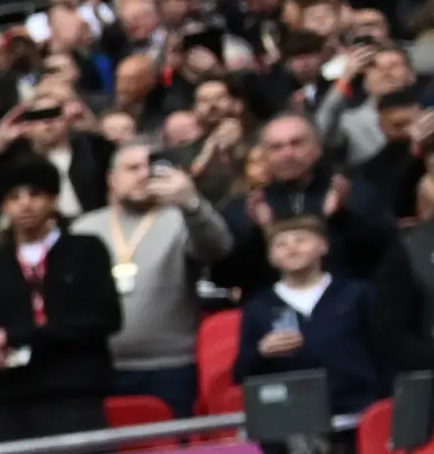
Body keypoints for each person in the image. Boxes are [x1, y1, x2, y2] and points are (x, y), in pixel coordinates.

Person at [0, 155, 123, 438]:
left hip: (76, 389)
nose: (25, 204)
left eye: (35, 194)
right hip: (15, 394)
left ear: (53, 199)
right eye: (14, 197)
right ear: (4, 205)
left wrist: (16, 335)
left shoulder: (85, 250)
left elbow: (106, 317)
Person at [77, 140, 233, 412]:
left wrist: (192, 203)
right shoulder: (85, 228)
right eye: (132, 168)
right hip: (101, 367)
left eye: (150, 167)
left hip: (171, 366)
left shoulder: (180, 219)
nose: (143, 175)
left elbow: (219, 248)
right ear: (111, 179)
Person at [237, 207, 389, 417]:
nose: (291, 248)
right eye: (281, 244)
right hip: (292, 416)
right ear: (271, 257)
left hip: (359, 410)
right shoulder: (258, 307)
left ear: (323, 246)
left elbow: (385, 353)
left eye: (301, 240)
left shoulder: (356, 294)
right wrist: (262, 351)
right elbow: (241, 373)